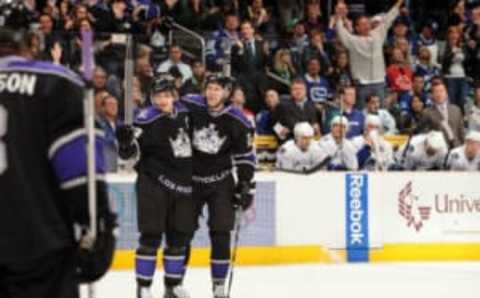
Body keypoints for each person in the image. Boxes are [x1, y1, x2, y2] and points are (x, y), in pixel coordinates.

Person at [0, 28, 115, 298]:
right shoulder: (56, 83)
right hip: (39, 252)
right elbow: (80, 174)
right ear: (31, 44)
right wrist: (99, 229)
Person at [116, 76, 195, 298]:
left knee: (179, 238)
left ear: (174, 97)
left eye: (166, 96)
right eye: (157, 96)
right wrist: (125, 144)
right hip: (153, 185)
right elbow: (130, 156)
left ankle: (173, 286)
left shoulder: (186, 114)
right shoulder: (145, 119)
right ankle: (144, 287)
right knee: (151, 237)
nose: (162, 101)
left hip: (183, 186)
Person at [181, 74, 256, 298]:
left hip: (221, 183)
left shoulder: (238, 119)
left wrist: (245, 185)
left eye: (217, 89)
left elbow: (245, 156)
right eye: (210, 88)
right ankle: (175, 282)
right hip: (191, 181)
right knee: (181, 233)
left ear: (227, 93)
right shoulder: (191, 104)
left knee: (221, 234)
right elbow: (166, 109)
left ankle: (219, 286)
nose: (212, 93)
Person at [335, 0, 404, 107]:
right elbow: (341, 31)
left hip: (379, 83)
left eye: (367, 23)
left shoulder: (378, 34)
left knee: (380, 112)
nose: (366, 26)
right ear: (357, 28)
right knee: (362, 113)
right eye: (363, 24)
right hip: (362, 85)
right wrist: (339, 16)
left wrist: (399, 2)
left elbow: (389, 18)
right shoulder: (352, 41)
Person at [421, 81, 465, 148]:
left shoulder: (456, 110)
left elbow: (461, 131)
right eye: (436, 92)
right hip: (438, 149)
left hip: (457, 147)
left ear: (446, 93)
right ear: (432, 95)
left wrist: (464, 147)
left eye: (441, 91)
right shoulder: (427, 112)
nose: (439, 94)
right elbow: (424, 134)